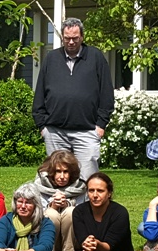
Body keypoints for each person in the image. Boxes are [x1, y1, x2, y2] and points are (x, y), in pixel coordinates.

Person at [32, 17, 115, 178]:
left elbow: (106, 92)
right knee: (58, 177)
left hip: (88, 131)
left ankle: (85, 204)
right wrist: (42, 125)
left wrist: (101, 125)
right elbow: (40, 91)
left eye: (75, 38)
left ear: (82, 37)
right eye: (67, 38)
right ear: (62, 37)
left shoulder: (95, 57)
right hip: (55, 132)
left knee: (88, 177)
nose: (71, 42)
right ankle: (58, 204)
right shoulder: (51, 58)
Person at [33, 150, 87, 251]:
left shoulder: (79, 187)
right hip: (48, 237)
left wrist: (68, 204)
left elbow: (83, 216)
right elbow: (35, 215)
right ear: (51, 172)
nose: (62, 176)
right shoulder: (39, 186)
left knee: (71, 212)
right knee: (51, 214)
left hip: (72, 240)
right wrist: (52, 205)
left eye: (66, 172)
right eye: (58, 171)